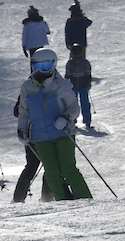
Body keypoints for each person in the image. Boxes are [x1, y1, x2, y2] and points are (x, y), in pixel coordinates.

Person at [17, 48, 90, 200]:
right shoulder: (27, 87)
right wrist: (22, 130)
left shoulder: (62, 85)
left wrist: (66, 117)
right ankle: (62, 201)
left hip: (63, 134)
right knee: (52, 173)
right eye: (39, 66)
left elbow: (74, 108)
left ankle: (84, 199)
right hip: (40, 137)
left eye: (47, 66)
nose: (43, 71)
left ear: (54, 65)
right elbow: (23, 111)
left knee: (68, 169)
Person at [66, 44, 96, 132]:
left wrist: (87, 82)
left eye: (78, 53)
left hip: (83, 85)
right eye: (74, 53)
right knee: (72, 104)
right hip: (73, 85)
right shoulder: (70, 63)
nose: (76, 55)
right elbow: (68, 75)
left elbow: (88, 74)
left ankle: (87, 121)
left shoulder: (85, 62)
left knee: (85, 103)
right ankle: (72, 120)